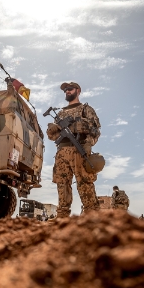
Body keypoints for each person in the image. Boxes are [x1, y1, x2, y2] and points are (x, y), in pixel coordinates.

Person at [46, 82, 101, 218]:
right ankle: (62, 217)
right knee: (62, 185)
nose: (67, 91)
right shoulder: (60, 113)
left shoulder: (85, 109)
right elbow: (52, 137)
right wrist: (52, 130)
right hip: (62, 152)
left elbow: (95, 131)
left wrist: (88, 144)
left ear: (78, 90)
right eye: (65, 90)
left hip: (79, 149)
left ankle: (92, 217)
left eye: (70, 89)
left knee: (85, 184)